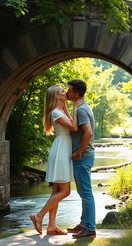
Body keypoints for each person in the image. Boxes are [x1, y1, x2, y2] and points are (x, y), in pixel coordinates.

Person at [29, 84, 81, 235]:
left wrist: (67, 108)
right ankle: (39, 216)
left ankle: (51, 226)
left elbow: (71, 124)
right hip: (61, 151)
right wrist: (76, 107)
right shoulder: (55, 113)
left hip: (63, 149)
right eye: (62, 92)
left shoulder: (60, 110)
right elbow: (74, 127)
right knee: (65, 192)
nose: (65, 92)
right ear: (56, 96)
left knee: (57, 191)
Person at [66, 79, 96, 238]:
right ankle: (84, 224)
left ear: (76, 94)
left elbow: (89, 133)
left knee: (86, 193)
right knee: (83, 192)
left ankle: (90, 228)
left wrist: (78, 152)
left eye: (69, 90)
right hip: (83, 156)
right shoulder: (81, 107)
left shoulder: (82, 110)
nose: (66, 92)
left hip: (83, 156)